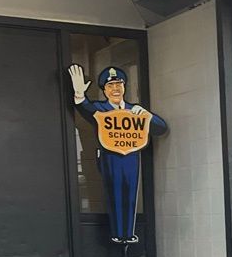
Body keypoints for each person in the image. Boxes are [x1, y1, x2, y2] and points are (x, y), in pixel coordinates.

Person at [67, 63, 168, 245]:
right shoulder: (100, 108)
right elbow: (86, 108)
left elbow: (161, 128)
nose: (115, 89)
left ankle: (128, 235)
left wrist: (146, 115)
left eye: (118, 85)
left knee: (130, 195)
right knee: (115, 195)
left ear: (124, 87)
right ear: (104, 90)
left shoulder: (134, 109)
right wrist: (80, 95)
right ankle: (118, 235)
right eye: (110, 86)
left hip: (131, 156)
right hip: (110, 157)